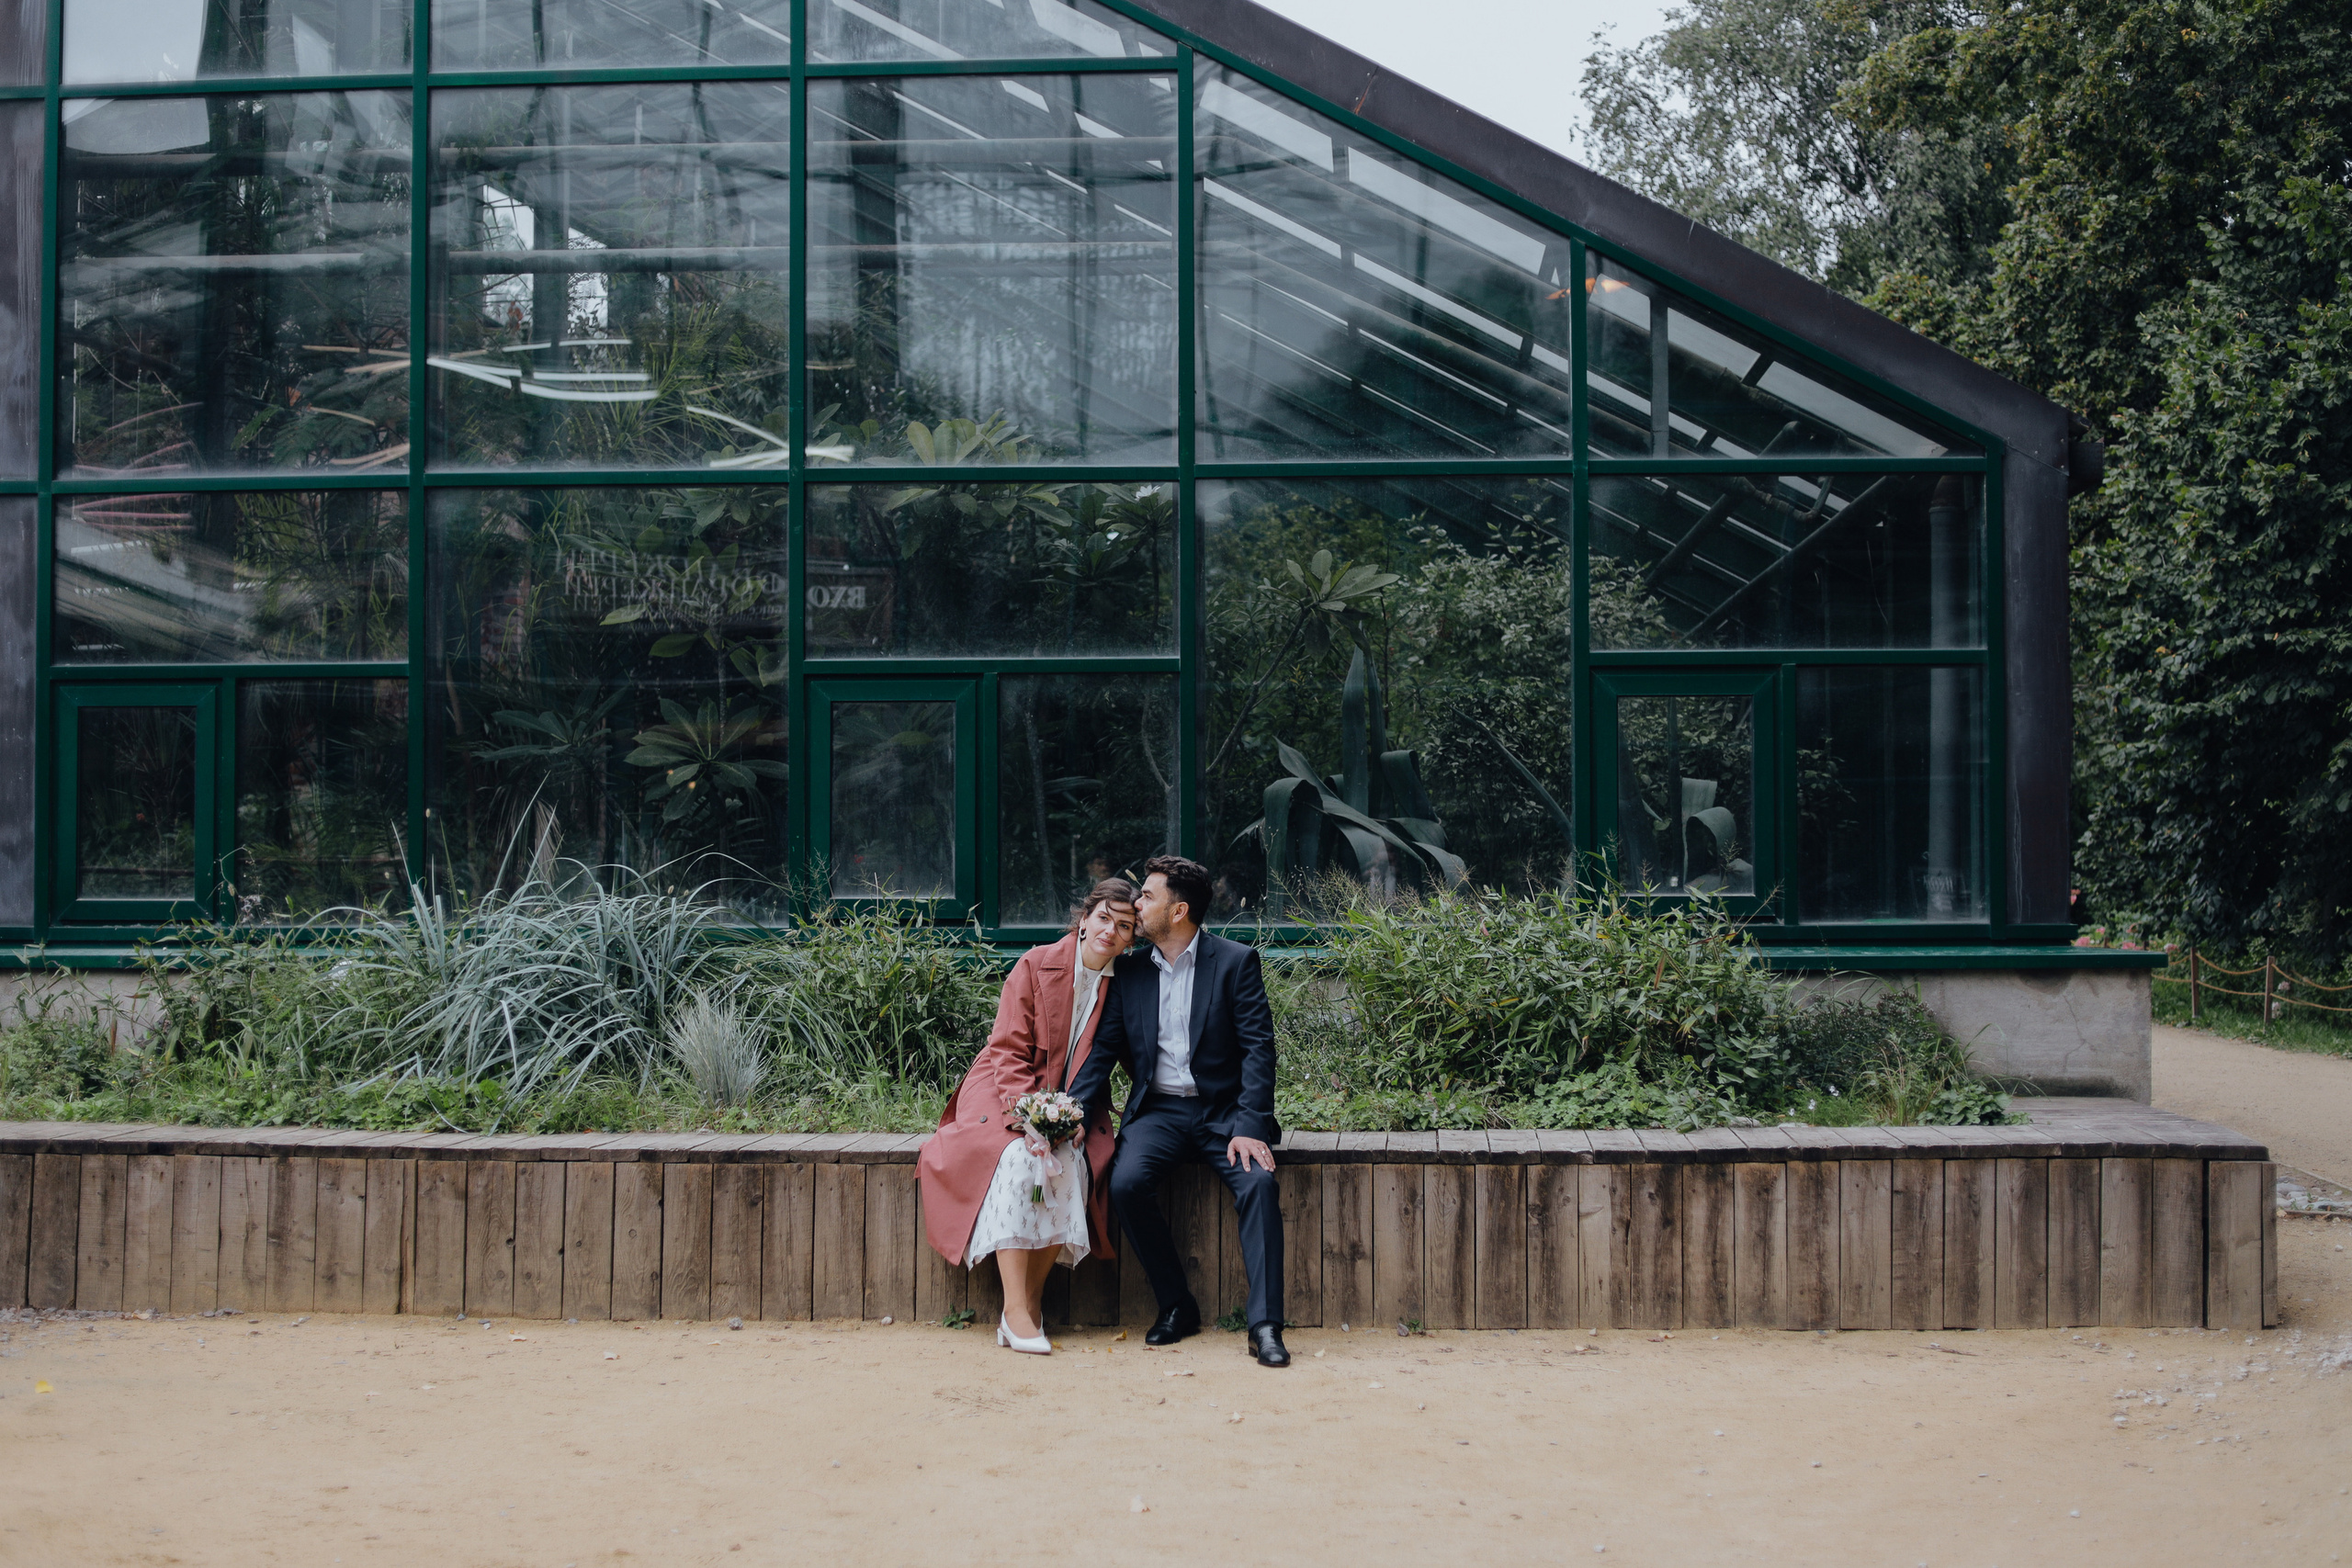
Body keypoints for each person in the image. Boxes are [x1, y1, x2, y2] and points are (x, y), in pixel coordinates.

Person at [1066, 854, 1290, 1368]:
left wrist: (1251, 1126)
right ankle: (1176, 1305)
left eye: (1147, 896)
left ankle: (1265, 1325)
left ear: (1179, 910)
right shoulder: (1129, 971)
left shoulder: (1234, 962)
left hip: (1226, 1114)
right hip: (1160, 1114)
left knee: (1258, 1184)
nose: (1136, 904)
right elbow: (1103, 1050)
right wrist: (1071, 1111)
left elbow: (1259, 1048)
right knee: (1124, 1183)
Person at [917, 878, 1136, 1354]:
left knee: (1072, 1167)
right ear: (1084, 919)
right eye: (1104, 918)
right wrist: (1031, 1116)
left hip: (1075, 1105)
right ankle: (1017, 1310)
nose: (1111, 931)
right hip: (1004, 1090)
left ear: (1130, 937)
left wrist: (1065, 1118)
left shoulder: (1123, 988)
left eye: (1124, 925)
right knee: (1019, 1160)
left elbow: (1104, 1065)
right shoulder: (1035, 964)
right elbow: (1008, 1048)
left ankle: (1025, 1310)